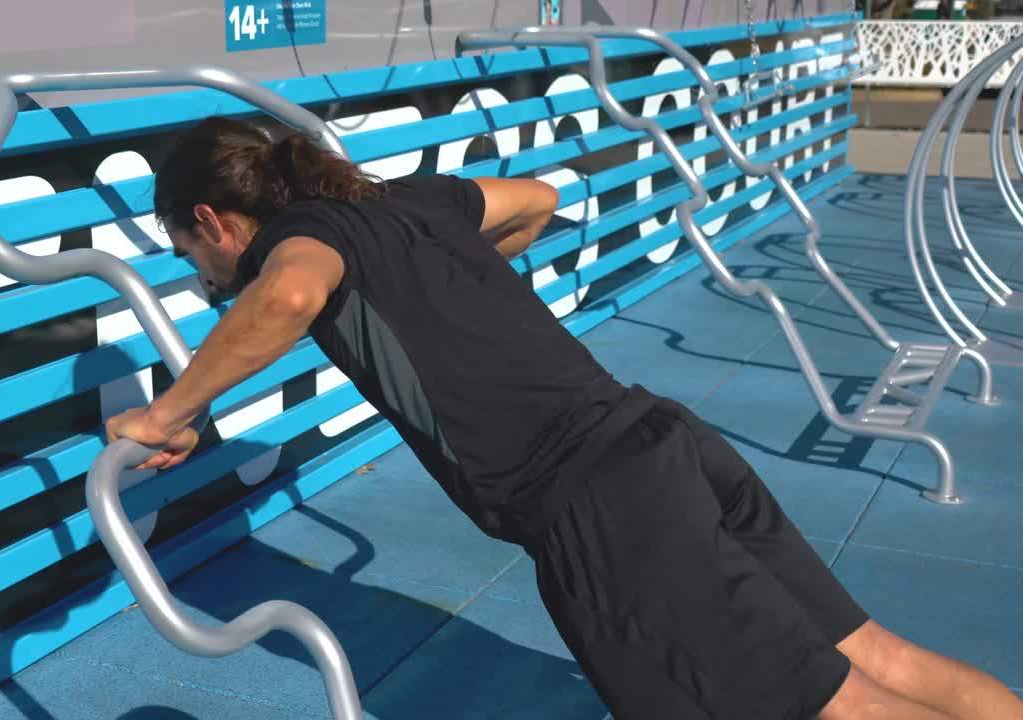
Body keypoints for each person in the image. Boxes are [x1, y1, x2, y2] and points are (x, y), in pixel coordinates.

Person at [106, 117, 1023, 720]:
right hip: (664, 441)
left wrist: (170, 415)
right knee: (881, 658)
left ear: (212, 222)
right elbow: (539, 199)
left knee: (840, 709)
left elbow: (289, 293)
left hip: (607, 513)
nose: (196, 270)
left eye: (185, 249)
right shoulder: (406, 204)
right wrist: (460, 274)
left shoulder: (300, 244)